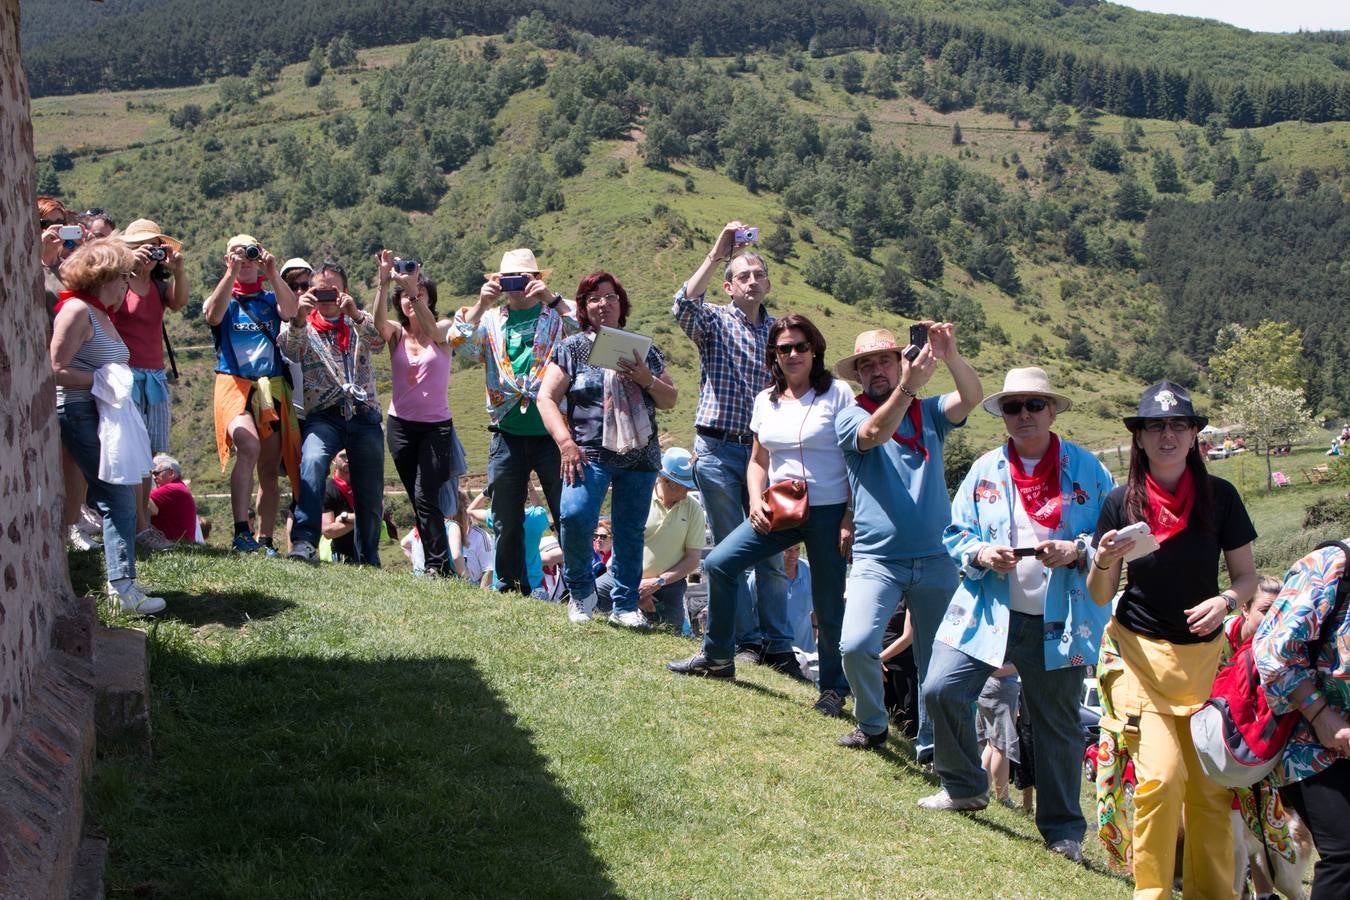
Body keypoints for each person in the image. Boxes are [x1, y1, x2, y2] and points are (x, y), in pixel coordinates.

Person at [919, 367, 1114, 866]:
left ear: (1052, 411)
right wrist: (982, 553)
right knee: (941, 687)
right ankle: (965, 786)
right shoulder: (984, 469)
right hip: (986, 611)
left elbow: (1114, 540)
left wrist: (1077, 549)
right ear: (1003, 415)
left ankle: (1063, 832)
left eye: (1033, 405)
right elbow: (955, 533)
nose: (1023, 415)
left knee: (1059, 727)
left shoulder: (1089, 469)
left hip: (1064, 619)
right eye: (1012, 407)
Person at [1088, 381, 1257, 898]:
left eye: (1177, 425)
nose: (1167, 435)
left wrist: (1226, 602)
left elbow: (1247, 579)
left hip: (1206, 664)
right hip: (1139, 658)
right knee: (1160, 779)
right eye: (1155, 426)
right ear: (1138, 439)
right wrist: (1103, 558)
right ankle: (1152, 892)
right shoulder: (1120, 503)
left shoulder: (1221, 498)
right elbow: (1100, 595)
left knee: (1209, 790)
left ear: (1193, 437)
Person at [668, 314, 854, 717]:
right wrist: (755, 501)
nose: (792, 354)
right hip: (780, 506)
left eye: (800, 346)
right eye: (783, 348)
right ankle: (717, 658)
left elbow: (857, 458)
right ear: (773, 354)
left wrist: (848, 518)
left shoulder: (838, 394)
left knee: (827, 603)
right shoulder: (765, 399)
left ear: (815, 349)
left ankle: (833, 691)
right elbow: (757, 460)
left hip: (828, 510)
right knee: (718, 562)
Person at [831, 326, 982, 753]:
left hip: (937, 558)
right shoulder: (851, 415)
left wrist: (950, 355)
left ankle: (933, 746)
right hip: (877, 559)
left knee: (939, 661)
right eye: (867, 364)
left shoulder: (929, 411)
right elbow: (875, 434)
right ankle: (873, 724)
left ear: (901, 360)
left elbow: (971, 398)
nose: (876, 370)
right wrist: (907, 387)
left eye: (884, 360)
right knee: (856, 644)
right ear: (858, 374)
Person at [537, 271, 677, 628]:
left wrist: (645, 378)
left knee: (630, 529)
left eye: (610, 296)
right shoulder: (572, 349)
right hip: (587, 454)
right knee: (574, 516)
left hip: (640, 456)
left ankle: (625, 605)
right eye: (593, 298)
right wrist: (565, 443)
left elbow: (670, 399)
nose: (603, 304)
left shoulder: (644, 349)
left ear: (621, 303)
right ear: (583, 307)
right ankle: (582, 592)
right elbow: (546, 398)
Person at [49, 238, 164, 614]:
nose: (125, 284)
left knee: (121, 494)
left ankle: (123, 581)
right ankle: (121, 588)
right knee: (116, 497)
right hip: (82, 413)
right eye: (122, 277)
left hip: (101, 414)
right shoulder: (77, 311)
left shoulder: (98, 313)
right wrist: (99, 380)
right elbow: (54, 369)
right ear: (104, 277)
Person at [453, 248, 575, 594]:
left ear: (536, 280)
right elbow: (458, 343)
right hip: (506, 431)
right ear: (498, 283)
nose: (517, 287)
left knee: (566, 511)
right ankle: (509, 585)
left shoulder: (556, 318)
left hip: (553, 433)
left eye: (524, 279)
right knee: (506, 515)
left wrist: (551, 299)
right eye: (509, 280)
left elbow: (588, 332)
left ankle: (579, 585)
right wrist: (479, 305)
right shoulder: (491, 320)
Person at [1254, 543, 1350, 898]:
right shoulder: (1331, 565)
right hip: (1310, 742)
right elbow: (1273, 651)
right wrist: (1320, 714)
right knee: (1345, 855)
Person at [282, 259, 387, 565]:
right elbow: (291, 351)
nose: (327, 300)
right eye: (320, 292)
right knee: (313, 460)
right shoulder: (303, 324)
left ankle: (369, 555)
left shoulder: (359, 320)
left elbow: (379, 341)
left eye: (333, 292)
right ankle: (303, 541)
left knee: (369, 486)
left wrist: (353, 312)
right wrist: (300, 316)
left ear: (345, 291)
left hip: (363, 413)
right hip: (323, 415)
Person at [204, 234, 301, 553]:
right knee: (248, 445)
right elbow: (213, 316)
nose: (244, 260)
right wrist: (230, 274)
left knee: (269, 469)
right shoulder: (222, 296)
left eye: (250, 254)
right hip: (233, 384)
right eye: (236, 254)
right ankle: (240, 530)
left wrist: (272, 272)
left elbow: (291, 311)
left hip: (268, 388)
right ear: (226, 259)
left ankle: (265, 539)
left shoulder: (269, 300)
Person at [372, 250, 465, 577]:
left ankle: (437, 566)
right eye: (408, 296)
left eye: (420, 294)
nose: (412, 299)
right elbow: (377, 324)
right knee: (419, 499)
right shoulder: (397, 334)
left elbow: (438, 334)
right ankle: (440, 567)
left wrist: (410, 286)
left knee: (427, 495)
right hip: (400, 427)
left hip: (436, 428)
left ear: (429, 297)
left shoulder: (444, 329)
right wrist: (384, 284)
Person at [114, 218, 190, 551]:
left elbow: (180, 302)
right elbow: (113, 309)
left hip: (154, 376)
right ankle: (136, 523)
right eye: (141, 245)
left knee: (148, 453)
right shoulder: (118, 282)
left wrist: (178, 270)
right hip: (125, 375)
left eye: (154, 245)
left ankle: (142, 521)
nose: (148, 251)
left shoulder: (160, 287)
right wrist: (131, 271)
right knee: (129, 450)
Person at [596, 448, 706, 630]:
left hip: (668, 586)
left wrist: (657, 582)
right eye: (683, 485)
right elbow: (622, 544)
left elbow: (693, 558)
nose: (688, 490)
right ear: (666, 480)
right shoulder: (638, 498)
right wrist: (633, 587)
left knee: (672, 635)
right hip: (620, 577)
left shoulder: (693, 509)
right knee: (592, 602)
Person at [148, 453, 199, 543]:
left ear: (171, 473)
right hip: (179, 543)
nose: (154, 478)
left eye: (156, 473)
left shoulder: (171, 489)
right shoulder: (179, 487)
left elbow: (141, 501)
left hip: (171, 544)